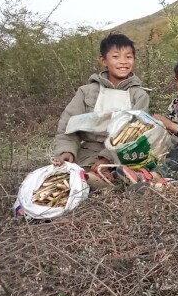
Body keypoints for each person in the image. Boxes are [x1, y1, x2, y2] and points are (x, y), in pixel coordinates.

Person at [52, 33, 150, 184]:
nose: (123, 62)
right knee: (66, 179)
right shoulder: (86, 91)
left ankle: (113, 179)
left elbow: (135, 134)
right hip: (88, 152)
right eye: (116, 57)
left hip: (124, 154)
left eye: (128, 57)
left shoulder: (139, 95)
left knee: (124, 175)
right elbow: (68, 126)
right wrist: (67, 150)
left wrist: (108, 157)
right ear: (103, 60)